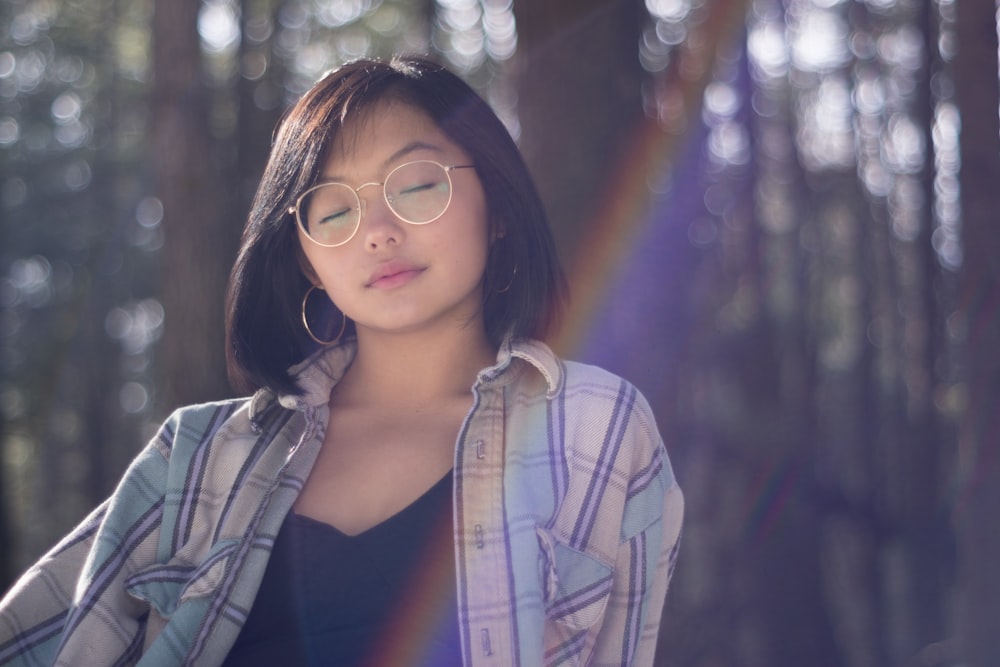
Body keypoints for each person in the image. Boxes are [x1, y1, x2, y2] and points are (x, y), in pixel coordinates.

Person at [0, 55, 683, 666]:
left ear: (497, 203)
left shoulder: (594, 430)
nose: (378, 233)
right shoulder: (197, 457)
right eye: (332, 210)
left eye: (416, 185)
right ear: (306, 260)